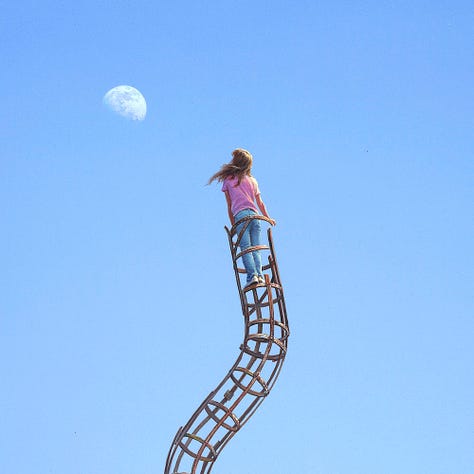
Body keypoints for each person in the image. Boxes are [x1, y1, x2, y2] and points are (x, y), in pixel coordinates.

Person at [208, 148, 276, 288]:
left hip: (241, 217)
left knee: (245, 248)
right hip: (255, 216)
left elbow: (230, 205)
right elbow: (260, 203)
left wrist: (234, 225)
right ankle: (260, 276)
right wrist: (268, 217)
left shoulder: (229, 180)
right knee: (255, 248)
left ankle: (252, 277)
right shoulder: (252, 180)